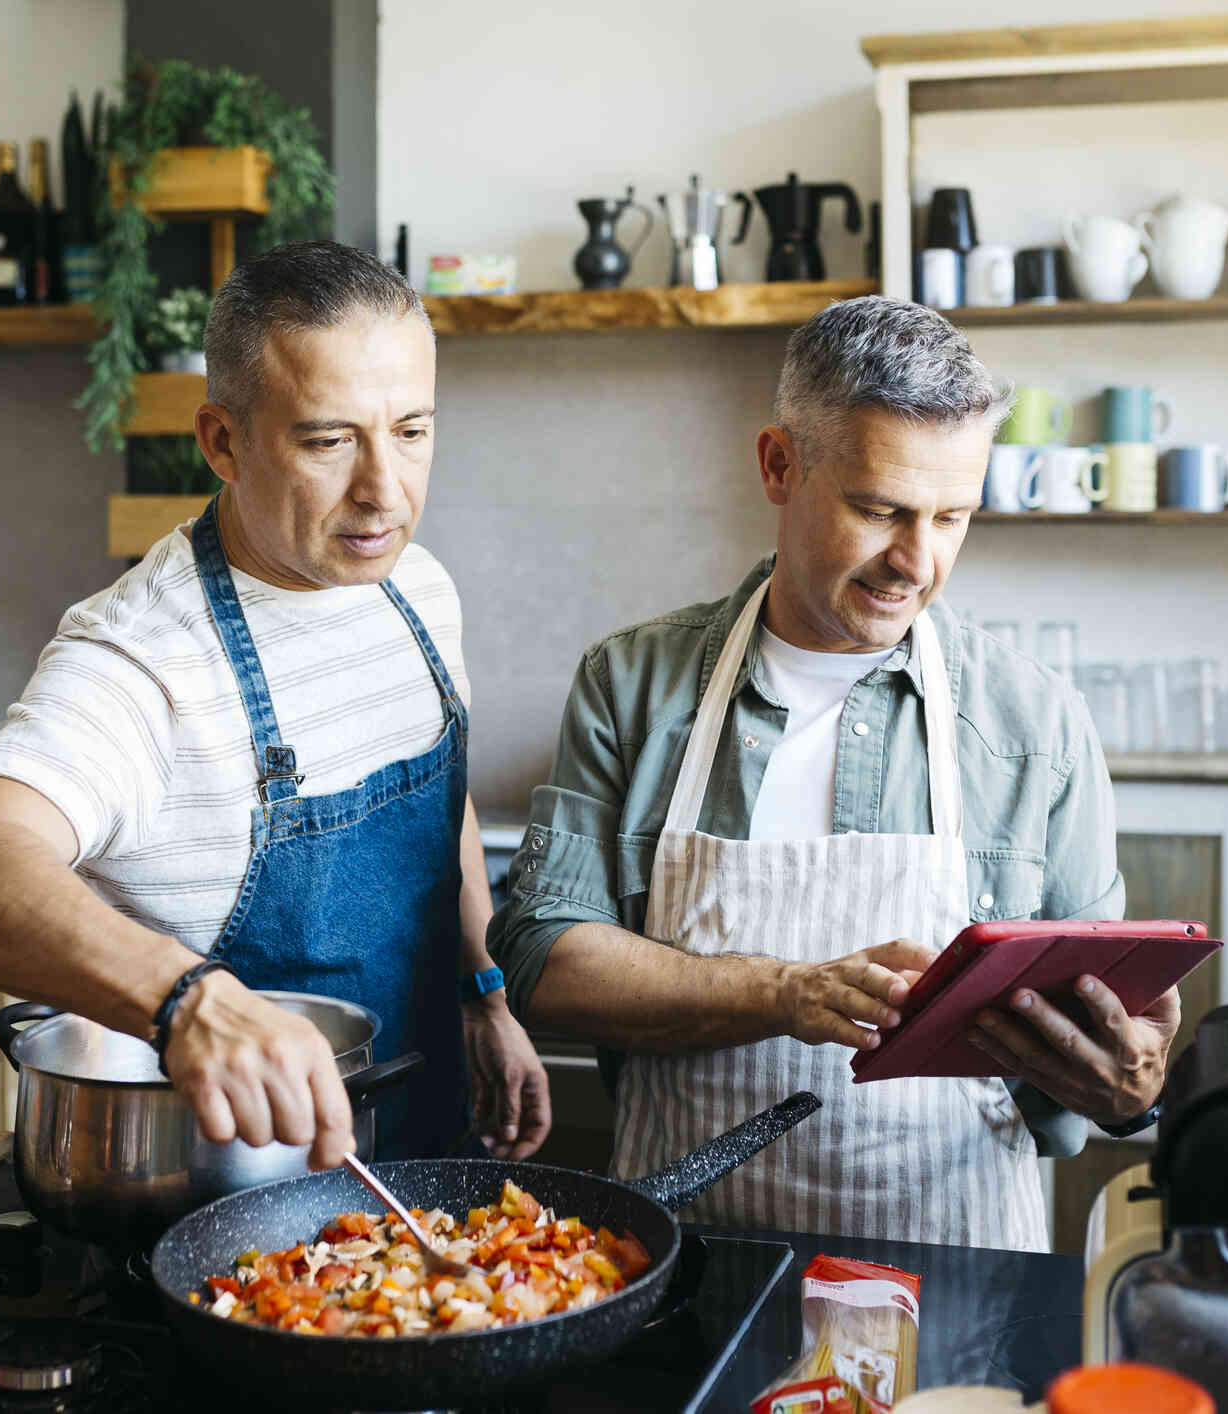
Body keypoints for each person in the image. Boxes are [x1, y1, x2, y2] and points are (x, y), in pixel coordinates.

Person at [486, 296, 1174, 1248]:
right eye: (878, 509)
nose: (915, 562)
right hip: (690, 1258)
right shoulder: (633, 684)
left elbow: (1101, 1045)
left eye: (951, 516)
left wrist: (1127, 1090)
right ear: (778, 465)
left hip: (954, 1260)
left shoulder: (1034, 722)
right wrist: (785, 992)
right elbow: (544, 959)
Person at [0, 240, 549, 1170]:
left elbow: (441, 801)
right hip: (224, 1208)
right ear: (221, 441)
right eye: (328, 440)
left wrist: (485, 992)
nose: (384, 492)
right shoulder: (143, 657)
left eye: (410, 430)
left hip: (426, 1160)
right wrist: (188, 1000)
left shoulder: (417, 591)